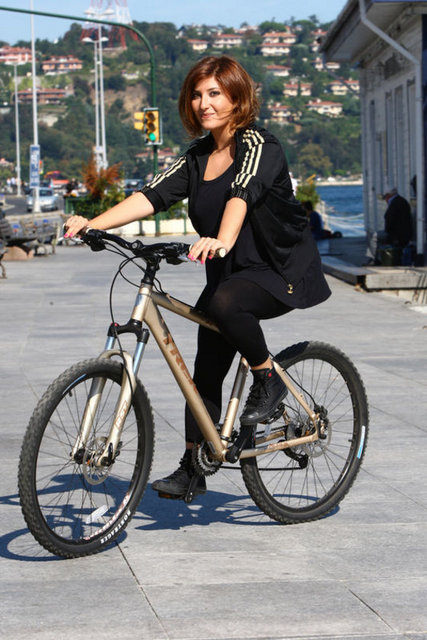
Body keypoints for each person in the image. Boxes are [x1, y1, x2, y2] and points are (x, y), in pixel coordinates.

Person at [64, 55, 331, 499]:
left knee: (225, 304)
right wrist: (93, 225)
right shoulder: (197, 156)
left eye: (214, 93)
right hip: (230, 275)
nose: (204, 103)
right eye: (196, 94)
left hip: (279, 270)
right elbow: (151, 195)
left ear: (237, 98)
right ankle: (194, 465)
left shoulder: (260, 145)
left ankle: (267, 378)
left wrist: (221, 239)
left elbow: (242, 192)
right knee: (204, 370)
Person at [366, 186, 412, 265]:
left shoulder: (395, 203)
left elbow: (390, 221)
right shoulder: (401, 200)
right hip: (403, 232)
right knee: (378, 236)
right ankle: (379, 257)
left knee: (373, 236)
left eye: (385, 198)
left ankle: (374, 259)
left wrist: (389, 234)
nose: (385, 200)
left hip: (398, 234)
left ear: (388, 195)